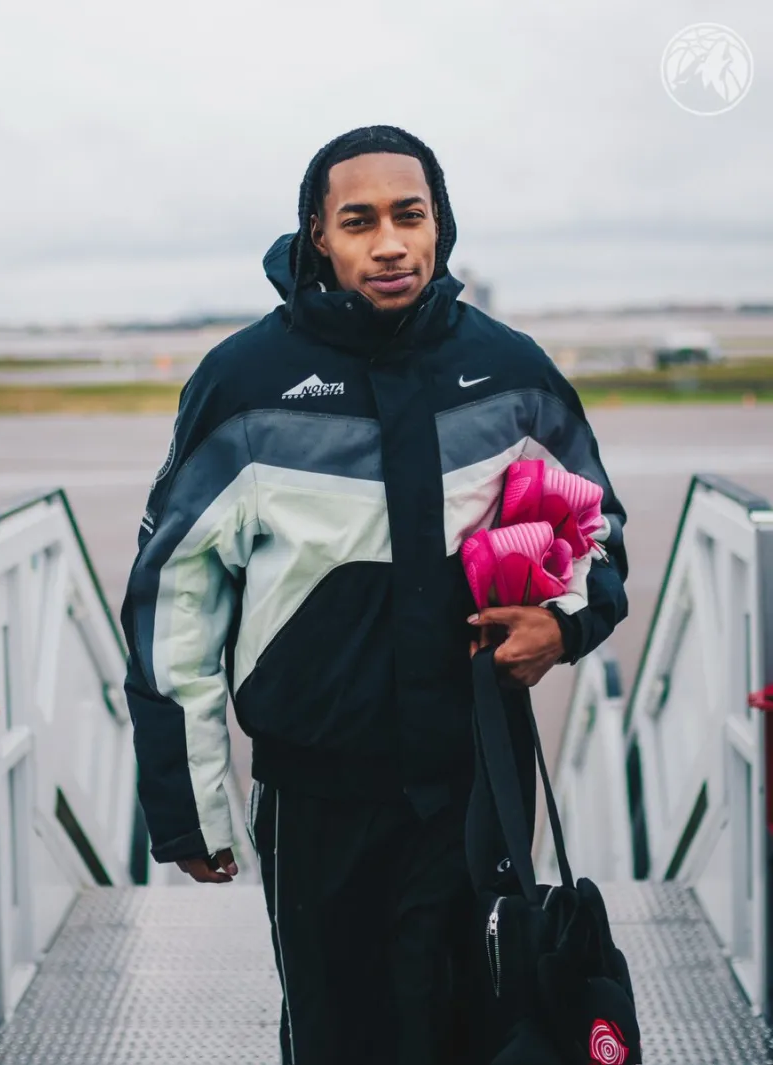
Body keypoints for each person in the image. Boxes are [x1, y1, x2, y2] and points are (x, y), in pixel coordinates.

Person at [120, 124, 628, 1065]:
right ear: (319, 233)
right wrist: (188, 803)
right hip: (322, 796)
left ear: (441, 226)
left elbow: (597, 530)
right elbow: (174, 599)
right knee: (339, 1033)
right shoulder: (243, 384)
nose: (389, 241)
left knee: (483, 1026)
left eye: (411, 215)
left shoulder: (513, 372)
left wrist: (563, 623)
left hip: (480, 779)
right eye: (359, 221)